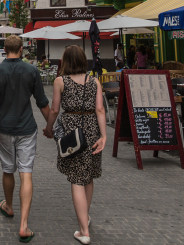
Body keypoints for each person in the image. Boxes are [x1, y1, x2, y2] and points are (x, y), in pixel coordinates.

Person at [0, 35, 50, 243]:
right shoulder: (31, 71)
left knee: (7, 169)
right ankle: (23, 225)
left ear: (5, 49)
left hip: (3, 128)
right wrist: (51, 126)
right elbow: (42, 102)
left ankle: (9, 206)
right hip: (26, 129)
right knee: (26, 173)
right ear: (21, 49)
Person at [43, 45, 107, 245]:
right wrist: (104, 136)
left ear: (65, 61)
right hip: (92, 130)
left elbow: (54, 109)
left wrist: (49, 128)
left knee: (77, 179)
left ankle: (84, 231)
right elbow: (100, 109)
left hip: (72, 132)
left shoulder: (61, 81)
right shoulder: (95, 81)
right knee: (87, 176)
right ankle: (84, 217)